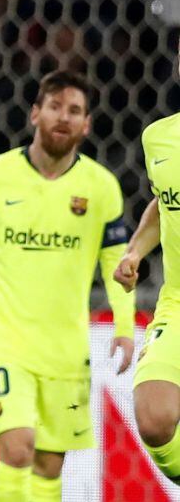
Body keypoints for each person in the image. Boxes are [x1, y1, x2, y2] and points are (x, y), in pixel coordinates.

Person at [0, 70, 136, 501]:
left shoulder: (101, 187)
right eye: (55, 106)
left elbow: (118, 264)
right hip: (6, 343)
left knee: (48, 462)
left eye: (75, 110)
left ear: (87, 124)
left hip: (66, 350)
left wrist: (123, 324)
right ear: (34, 114)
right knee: (18, 446)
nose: (64, 117)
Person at [113, 42, 180, 487]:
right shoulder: (159, 136)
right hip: (177, 304)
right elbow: (163, 201)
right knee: (155, 417)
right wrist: (135, 250)